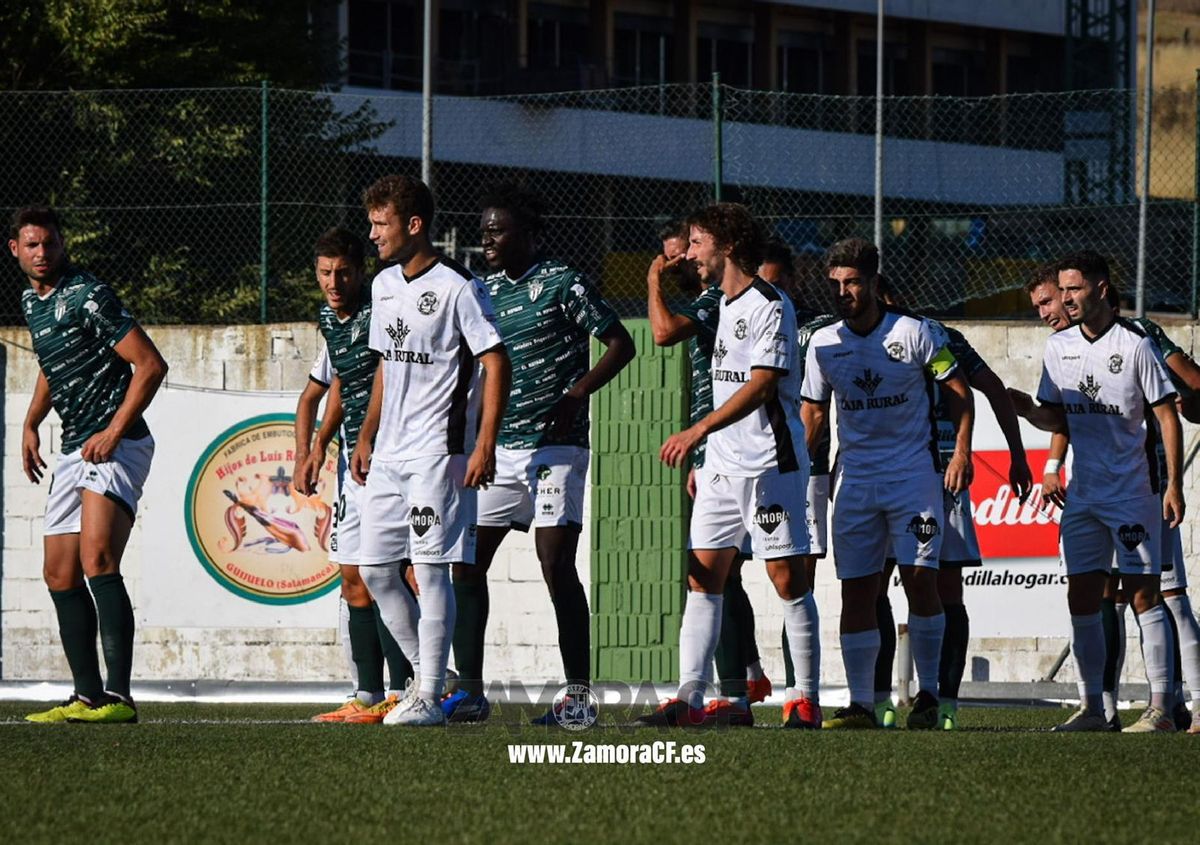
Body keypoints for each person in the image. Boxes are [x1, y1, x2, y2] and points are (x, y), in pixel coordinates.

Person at [446, 182, 635, 725]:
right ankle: (473, 692)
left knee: (555, 566)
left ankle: (579, 697)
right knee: (466, 564)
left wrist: (576, 395)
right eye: (483, 230)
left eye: (498, 229)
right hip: (502, 452)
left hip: (556, 449)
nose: (488, 238)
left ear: (531, 234)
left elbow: (622, 342)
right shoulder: (481, 292)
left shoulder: (562, 282)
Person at [643, 202, 821, 728]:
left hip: (769, 463)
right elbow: (662, 333)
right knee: (703, 578)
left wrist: (698, 429)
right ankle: (688, 697)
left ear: (726, 246)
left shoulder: (771, 305)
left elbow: (764, 382)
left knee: (786, 579)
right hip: (721, 465)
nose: (690, 254)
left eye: (697, 244)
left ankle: (803, 697)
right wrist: (655, 277)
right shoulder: (715, 304)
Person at [350, 175, 511, 727]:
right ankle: (428, 680)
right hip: (389, 455)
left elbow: (496, 362)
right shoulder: (383, 284)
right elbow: (384, 368)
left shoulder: (459, 286)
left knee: (430, 569)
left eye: (381, 224)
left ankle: (427, 696)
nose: (372, 234)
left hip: (437, 456)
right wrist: (367, 434)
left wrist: (483, 442)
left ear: (413, 225)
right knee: (374, 570)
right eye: (371, 223)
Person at [801, 238, 974, 730]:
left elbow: (959, 392)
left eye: (852, 282)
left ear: (874, 283)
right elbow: (813, 412)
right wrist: (794, 464)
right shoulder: (823, 344)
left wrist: (960, 452)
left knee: (921, 582)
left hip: (913, 480)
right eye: (835, 283)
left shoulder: (916, 334)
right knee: (857, 591)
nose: (843, 292)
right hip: (854, 482)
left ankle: (930, 698)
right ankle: (863, 704)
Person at [1011, 251, 1183, 732]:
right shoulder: (1058, 348)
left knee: (1145, 598)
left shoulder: (1135, 346)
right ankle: (1093, 708)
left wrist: (1173, 485)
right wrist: (1026, 409)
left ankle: (1161, 709)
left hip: (1133, 491)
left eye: (1074, 290)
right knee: (1082, 598)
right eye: (1062, 291)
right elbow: (1057, 417)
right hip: (1084, 494)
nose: (1065, 300)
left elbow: (1167, 415)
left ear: (1101, 290)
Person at [11, 206, 168, 723]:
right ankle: (86, 696)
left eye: (49, 243)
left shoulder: (87, 294)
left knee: (97, 559)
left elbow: (150, 365)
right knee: (59, 573)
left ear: (63, 245)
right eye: (31, 245)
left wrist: (114, 430)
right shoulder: (33, 304)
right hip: (77, 446)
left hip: (119, 442)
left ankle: (119, 699)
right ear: (15, 250)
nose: (41, 253)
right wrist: (32, 423)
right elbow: (52, 368)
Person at [871, 276, 1032, 729]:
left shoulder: (940, 338)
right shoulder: (854, 339)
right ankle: (876, 700)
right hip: (878, 477)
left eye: (890, 300)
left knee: (943, 588)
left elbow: (990, 389)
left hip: (940, 473)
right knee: (872, 585)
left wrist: (1017, 457)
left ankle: (941, 702)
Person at [646, 219, 770, 726]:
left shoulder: (720, 302)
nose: (680, 260)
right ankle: (728, 684)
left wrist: (651, 281)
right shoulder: (712, 301)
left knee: (769, 577)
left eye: (686, 250)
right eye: (672, 255)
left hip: (753, 452)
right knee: (713, 575)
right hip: (714, 453)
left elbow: (660, 332)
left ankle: (756, 688)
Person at [292, 226, 414, 723]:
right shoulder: (329, 318)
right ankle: (367, 693)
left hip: (390, 457)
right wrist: (315, 445)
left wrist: (364, 435)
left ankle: (407, 687)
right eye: (325, 273)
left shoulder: (379, 312)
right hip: (353, 465)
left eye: (343, 271)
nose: (334, 282)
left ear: (361, 271)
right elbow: (334, 382)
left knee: (385, 572)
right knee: (352, 579)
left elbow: (388, 372)